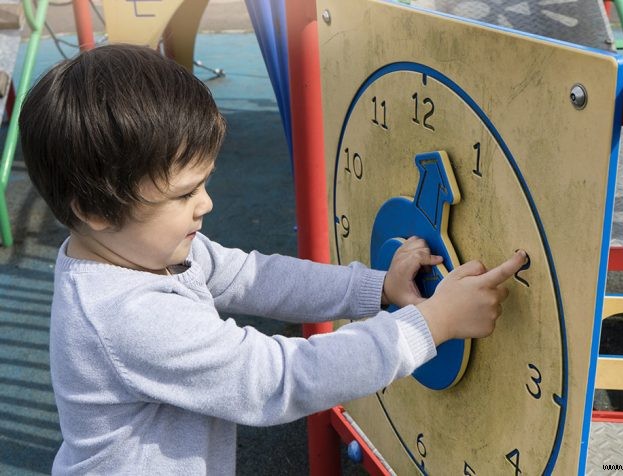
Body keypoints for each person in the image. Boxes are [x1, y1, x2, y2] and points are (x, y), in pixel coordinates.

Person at [19, 44, 526, 475]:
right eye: (184, 194)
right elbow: (277, 380)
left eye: (205, 183)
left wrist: (376, 289)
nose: (207, 204)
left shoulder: (144, 252)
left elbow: (256, 276)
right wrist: (429, 325)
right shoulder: (129, 317)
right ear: (95, 210)